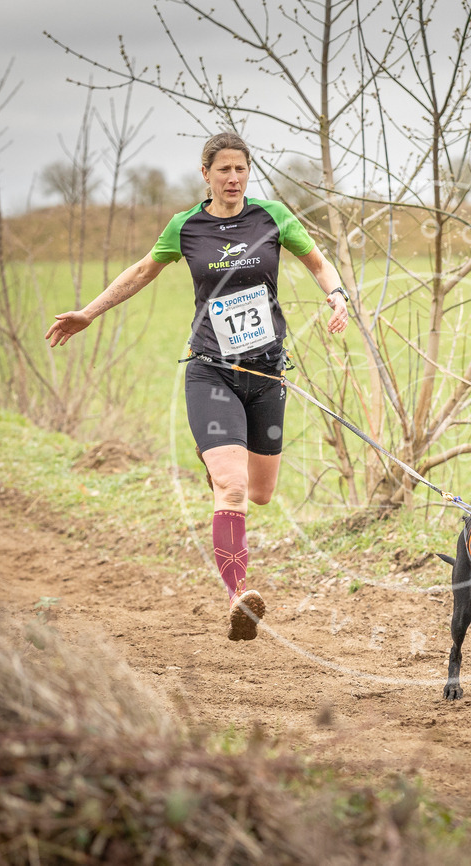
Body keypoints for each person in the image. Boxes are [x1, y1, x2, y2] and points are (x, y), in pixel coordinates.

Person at [46, 131, 350, 641]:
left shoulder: (272, 217)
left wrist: (337, 295)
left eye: (241, 169)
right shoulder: (186, 226)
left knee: (261, 493)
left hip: (267, 372)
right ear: (205, 173)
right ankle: (238, 597)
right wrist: (89, 312)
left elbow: (318, 262)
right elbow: (143, 271)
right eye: (224, 169)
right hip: (210, 369)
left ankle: (215, 459)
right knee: (231, 488)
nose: (233, 178)